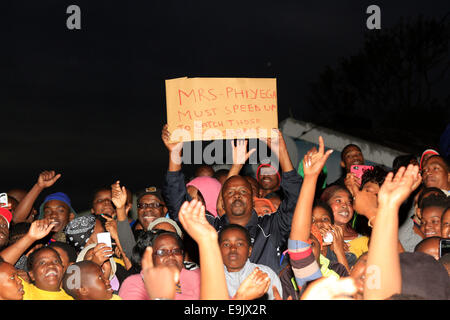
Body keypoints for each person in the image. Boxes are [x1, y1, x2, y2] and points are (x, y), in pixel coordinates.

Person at [162, 125, 302, 274]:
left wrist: (282, 153)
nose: (236, 195)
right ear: (222, 201)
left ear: (253, 198)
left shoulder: (272, 227)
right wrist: (175, 155)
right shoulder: (210, 229)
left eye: (243, 191)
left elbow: (297, 198)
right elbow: (179, 206)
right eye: (230, 192)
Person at [119, 229, 200, 300]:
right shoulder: (134, 284)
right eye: (162, 252)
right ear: (150, 257)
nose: (171, 256)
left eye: (176, 251)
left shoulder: (196, 278)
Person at [218, 224, 283, 300]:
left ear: (249, 251)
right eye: (226, 244)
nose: (233, 248)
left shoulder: (265, 275)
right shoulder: (211, 277)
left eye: (239, 244)